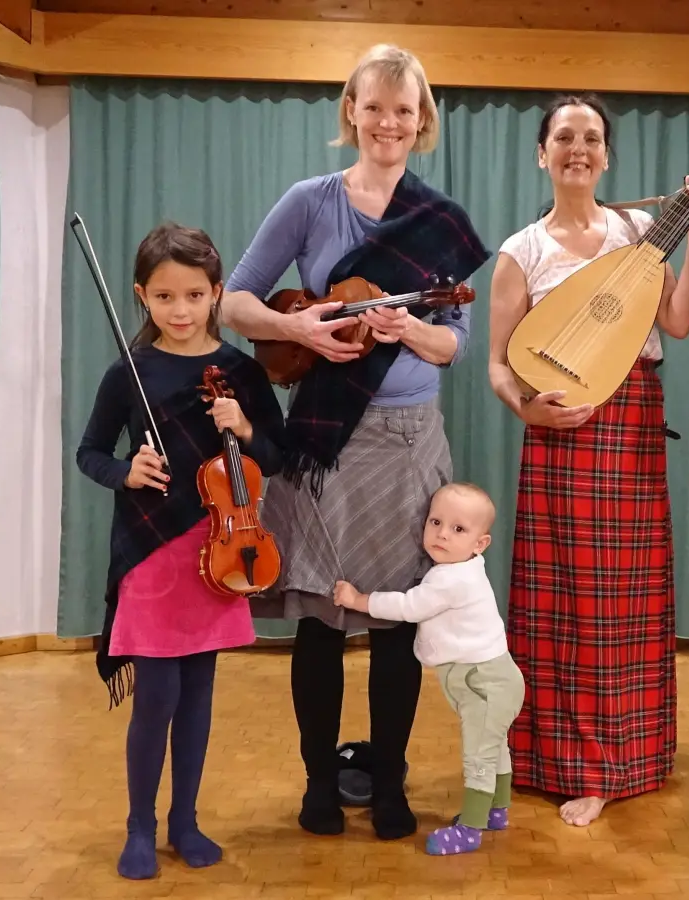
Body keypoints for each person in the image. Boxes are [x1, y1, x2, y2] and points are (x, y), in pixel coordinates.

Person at [220, 44, 490, 840]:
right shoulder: (309, 201)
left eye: (404, 111)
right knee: (318, 621)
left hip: (409, 442)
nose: (388, 123)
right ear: (352, 111)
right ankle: (316, 786)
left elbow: (456, 346)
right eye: (374, 107)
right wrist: (296, 324)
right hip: (324, 440)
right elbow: (235, 302)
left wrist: (412, 329)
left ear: (422, 122)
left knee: (397, 623)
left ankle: (392, 784)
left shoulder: (439, 220)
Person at [486, 93, 689, 827]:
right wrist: (527, 407)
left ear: (607, 156)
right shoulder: (521, 252)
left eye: (591, 137)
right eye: (564, 137)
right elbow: (499, 365)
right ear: (543, 154)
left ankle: (629, 758)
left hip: (631, 424)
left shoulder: (641, 232)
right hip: (559, 430)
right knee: (564, 602)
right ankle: (560, 762)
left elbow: (677, 324)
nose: (578, 148)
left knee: (627, 601)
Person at [75, 223, 288, 878]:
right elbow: (89, 453)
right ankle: (140, 826)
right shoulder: (128, 372)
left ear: (217, 294)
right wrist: (126, 471)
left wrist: (244, 426)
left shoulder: (242, 372)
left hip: (221, 547)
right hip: (151, 548)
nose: (180, 309)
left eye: (195, 295)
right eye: (164, 296)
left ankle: (184, 820)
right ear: (142, 296)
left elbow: (276, 454)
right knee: (157, 695)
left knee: (199, 692)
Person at [332, 482, 523, 857]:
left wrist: (358, 600)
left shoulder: (452, 579)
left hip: (484, 683)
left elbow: (409, 606)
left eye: (458, 529)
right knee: (495, 748)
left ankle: (471, 828)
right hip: (491, 680)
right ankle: (496, 810)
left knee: (479, 757)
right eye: (435, 521)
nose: (441, 534)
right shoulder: (462, 568)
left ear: (480, 544)